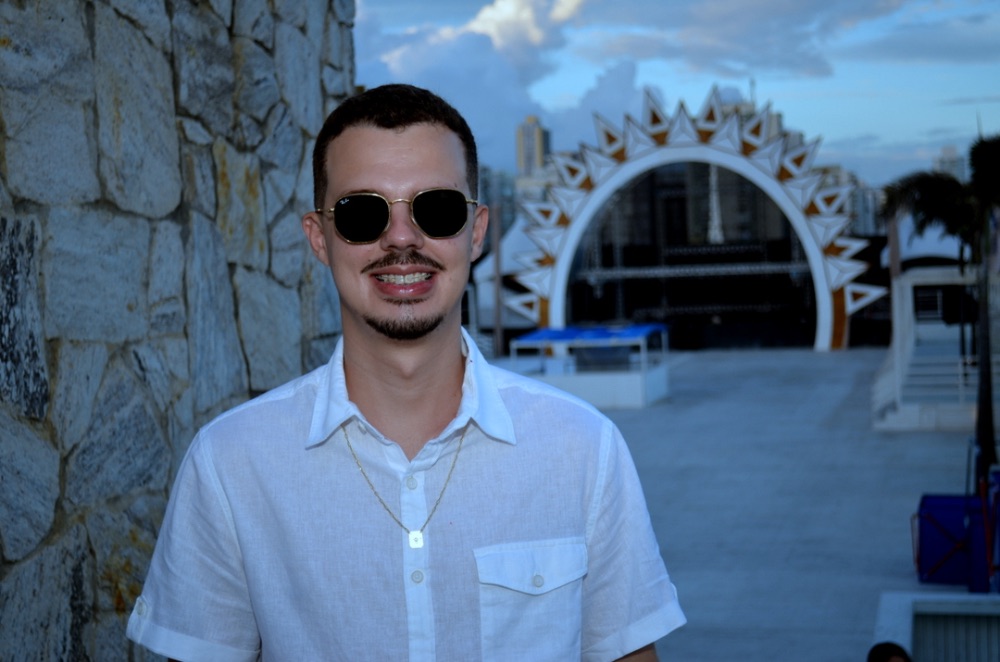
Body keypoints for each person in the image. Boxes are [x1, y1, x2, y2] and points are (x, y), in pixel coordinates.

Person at [126, 83, 685, 661]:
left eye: (436, 208)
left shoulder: (583, 450)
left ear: (476, 231)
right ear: (319, 239)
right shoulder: (230, 465)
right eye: (362, 213)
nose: (401, 238)